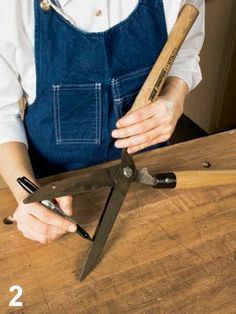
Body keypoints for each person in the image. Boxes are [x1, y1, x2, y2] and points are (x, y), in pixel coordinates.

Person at [0, 0, 205, 244]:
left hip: (150, 177)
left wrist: (174, 98)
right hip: (55, 195)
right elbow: (3, 112)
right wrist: (27, 194)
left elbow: (185, 53)